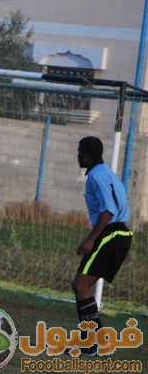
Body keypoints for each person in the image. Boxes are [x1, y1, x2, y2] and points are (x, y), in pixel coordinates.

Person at [69, 136, 132, 357]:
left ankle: (92, 344)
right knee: (81, 285)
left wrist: (91, 239)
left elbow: (108, 210)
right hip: (118, 233)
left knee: (80, 284)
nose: (78, 155)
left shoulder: (96, 176)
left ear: (87, 154)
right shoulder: (106, 172)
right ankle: (93, 342)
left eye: (79, 151)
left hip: (111, 232)